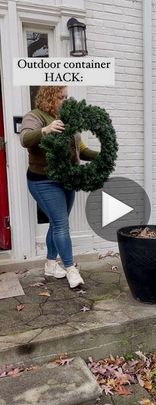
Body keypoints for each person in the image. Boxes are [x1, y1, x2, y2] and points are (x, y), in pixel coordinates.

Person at [20, 86, 99, 288]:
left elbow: (81, 150)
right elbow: (25, 139)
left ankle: (50, 264)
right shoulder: (35, 116)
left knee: (57, 223)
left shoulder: (68, 119)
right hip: (43, 181)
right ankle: (71, 268)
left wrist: (101, 155)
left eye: (66, 96)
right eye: (60, 97)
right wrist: (45, 130)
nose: (65, 100)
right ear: (49, 97)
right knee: (61, 224)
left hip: (67, 179)